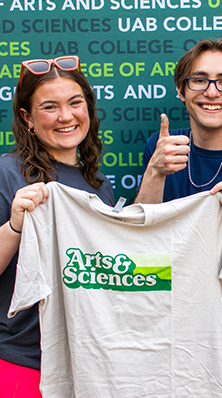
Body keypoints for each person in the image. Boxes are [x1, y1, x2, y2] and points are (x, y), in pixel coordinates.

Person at [135, 38, 222, 398]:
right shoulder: (161, 148)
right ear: (182, 91)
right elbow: (137, 249)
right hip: (164, 339)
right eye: (199, 80)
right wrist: (154, 174)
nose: (212, 92)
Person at [0, 56, 115, 397]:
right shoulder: (7, 173)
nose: (66, 116)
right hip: (22, 362)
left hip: (87, 363)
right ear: (27, 118)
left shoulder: (98, 185)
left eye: (75, 102)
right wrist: (15, 225)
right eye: (50, 107)